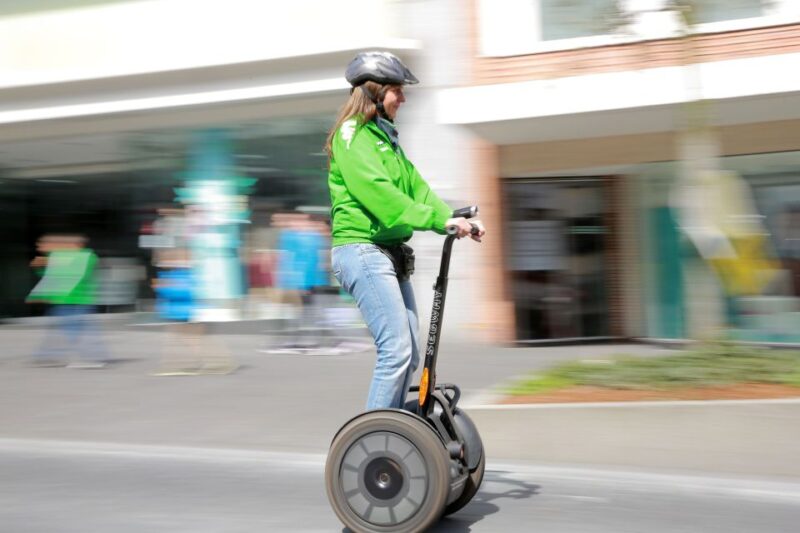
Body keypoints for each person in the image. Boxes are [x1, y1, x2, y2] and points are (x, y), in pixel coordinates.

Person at [325, 51, 485, 410]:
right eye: (397, 90)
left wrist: (454, 218)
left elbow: (417, 189)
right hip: (361, 250)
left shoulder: (385, 139)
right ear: (375, 91)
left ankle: (395, 429)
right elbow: (380, 195)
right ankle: (378, 435)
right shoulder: (352, 135)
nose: (403, 98)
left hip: (388, 252)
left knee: (409, 352)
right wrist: (437, 221)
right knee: (395, 350)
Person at [27, 234, 109, 368]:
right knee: (61, 330)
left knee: (73, 330)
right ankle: (49, 356)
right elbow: (51, 276)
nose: (39, 248)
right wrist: (40, 268)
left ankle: (91, 357)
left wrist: (51, 263)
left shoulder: (86, 256)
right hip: (62, 300)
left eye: (42, 244)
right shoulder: (58, 257)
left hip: (79, 300)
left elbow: (75, 275)